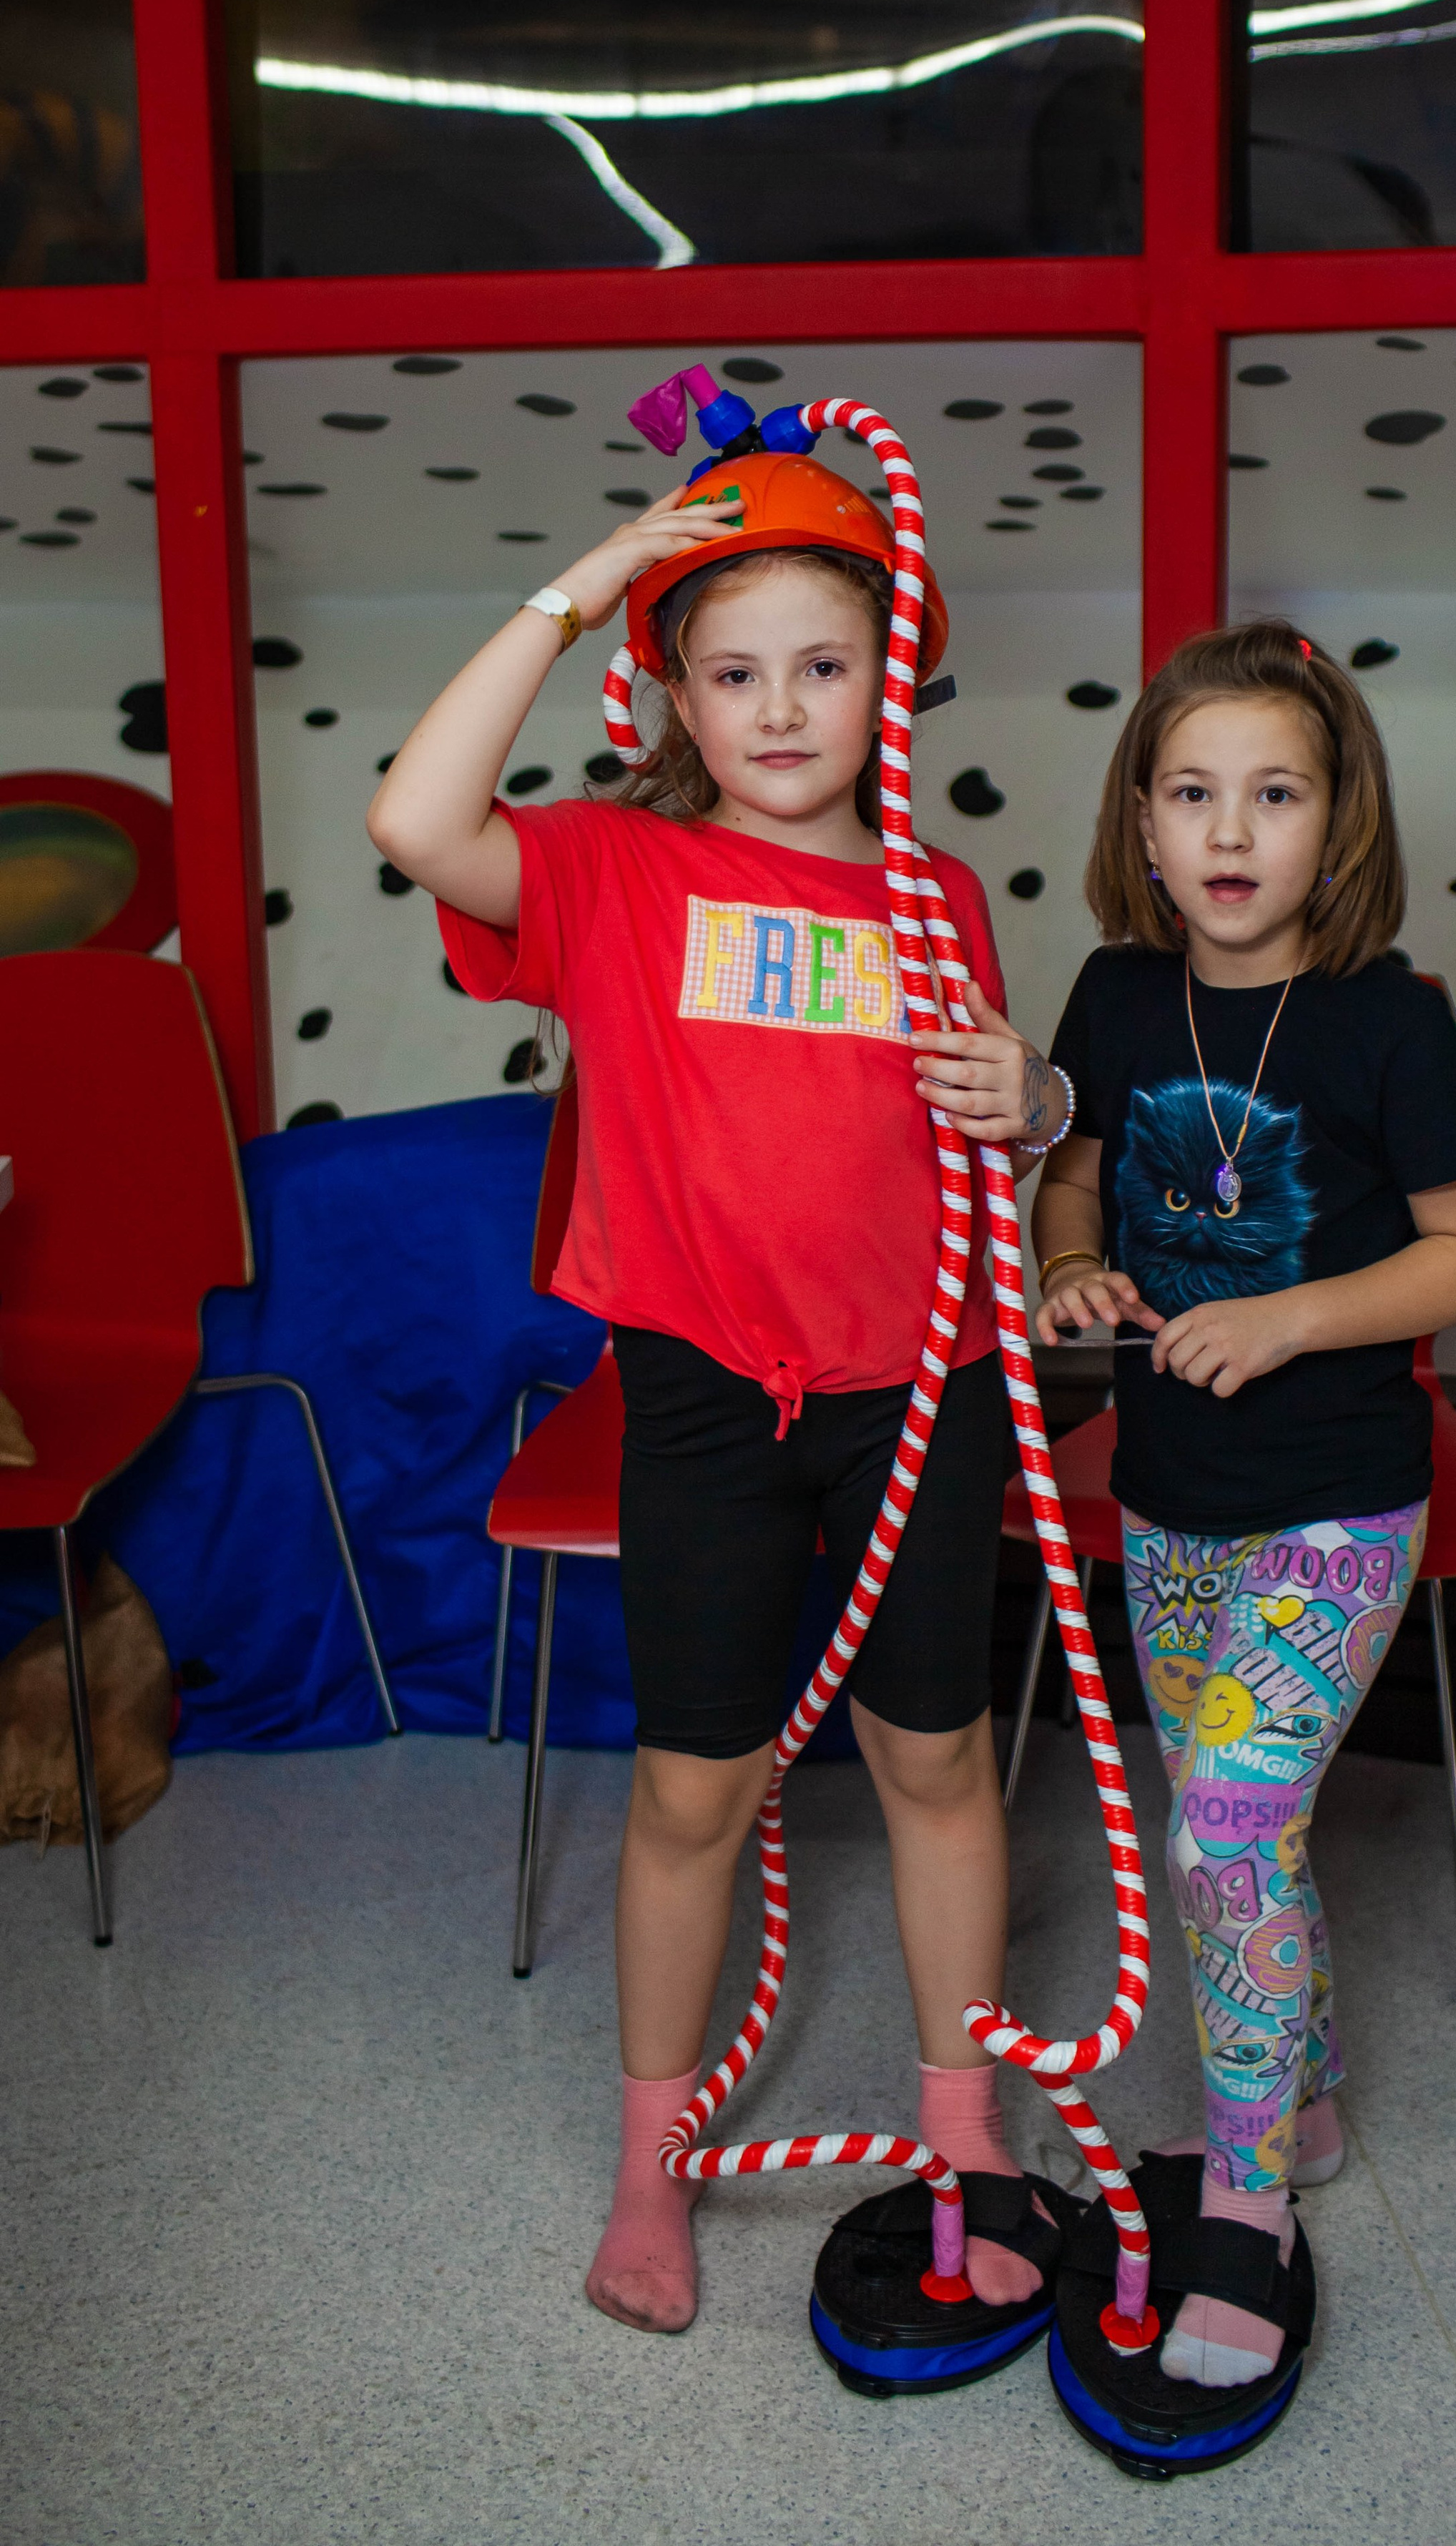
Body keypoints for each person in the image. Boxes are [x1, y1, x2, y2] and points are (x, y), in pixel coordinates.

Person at [367, 445, 1076, 2336]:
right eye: (736, 669)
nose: (781, 707)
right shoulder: (612, 869)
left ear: (891, 677)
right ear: (675, 693)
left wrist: (1045, 1104)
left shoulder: (937, 899)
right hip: (702, 1404)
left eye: (824, 664)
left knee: (936, 1759)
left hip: (920, 1389)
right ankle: (647, 2161)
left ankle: (961, 2125)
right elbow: (421, 818)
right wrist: (578, 586)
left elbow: (982, 1137)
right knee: (694, 1790)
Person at [1027, 619, 1456, 2394]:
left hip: (1336, 1500)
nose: (1230, 833)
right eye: (1191, 792)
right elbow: (1067, 1184)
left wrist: (1286, 1316)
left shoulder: (1387, 1023)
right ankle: (1293, 2098)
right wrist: (1071, 1266)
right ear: (1142, 823)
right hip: (1168, 1501)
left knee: (1222, 1828)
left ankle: (1245, 2202)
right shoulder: (1107, 992)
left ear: (1339, 823)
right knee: (1249, 1837)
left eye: (1274, 792)